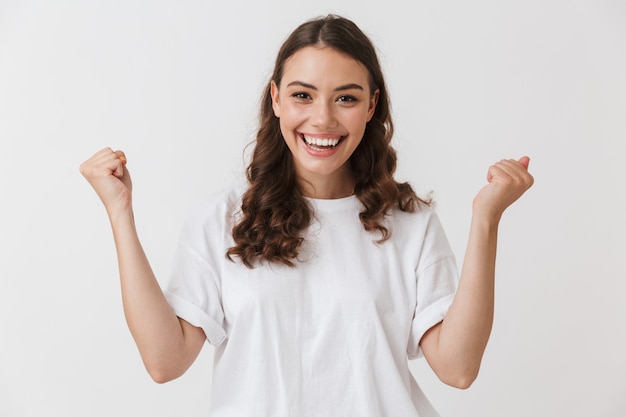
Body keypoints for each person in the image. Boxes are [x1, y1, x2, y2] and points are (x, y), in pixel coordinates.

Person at [80, 14, 533, 417]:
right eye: (303, 95)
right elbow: (165, 362)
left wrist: (486, 220)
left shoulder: (409, 223)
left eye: (346, 99)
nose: (322, 119)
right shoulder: (221, 218)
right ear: (276, 98)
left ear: (371, 106)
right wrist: (120, 214)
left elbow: (458, 369)